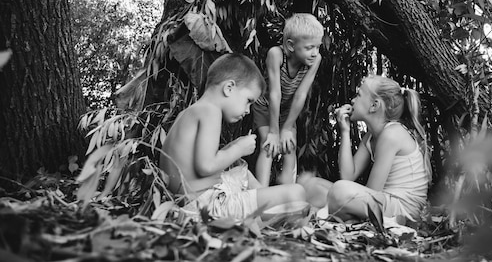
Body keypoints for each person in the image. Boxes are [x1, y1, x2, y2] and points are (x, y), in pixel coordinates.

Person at [159, 53, 306, 220]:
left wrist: (231, 147)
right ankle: (262, 214)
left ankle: (263, 201)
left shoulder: (192, 112)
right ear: (229, 88)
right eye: (248, 100)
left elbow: (198, 163)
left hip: (187, 203)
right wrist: (238, 149)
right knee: (296, 193)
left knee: (242, 171)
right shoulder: (210, 111)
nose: (248, 110)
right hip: (206, 208)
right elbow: (206, 166)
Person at [299, 75, 432, 221]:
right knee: (310, 185)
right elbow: (348, 176)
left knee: (339, 191)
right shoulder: (370, 135)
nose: (353, 100)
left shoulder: (392, 134)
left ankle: (337, 214)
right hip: (383, 202)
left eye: (358, 95)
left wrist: (344, 194)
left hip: (402, 209)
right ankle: (338, 212)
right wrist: (345, 131)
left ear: (374, 105)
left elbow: (372, 191)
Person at [253, 13, 324, 186]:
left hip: (287, 110)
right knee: (268, 145)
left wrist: (285, 129)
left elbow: (301, 95)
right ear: (291, 45)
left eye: (317, 47)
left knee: (289, 146)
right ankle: (260, 194)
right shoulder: (276, 55)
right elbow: (275, 94)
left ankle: (288, 192)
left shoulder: (315, 61)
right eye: (309, 48)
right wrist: (274, 132)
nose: (315, 53)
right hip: (266, 106)